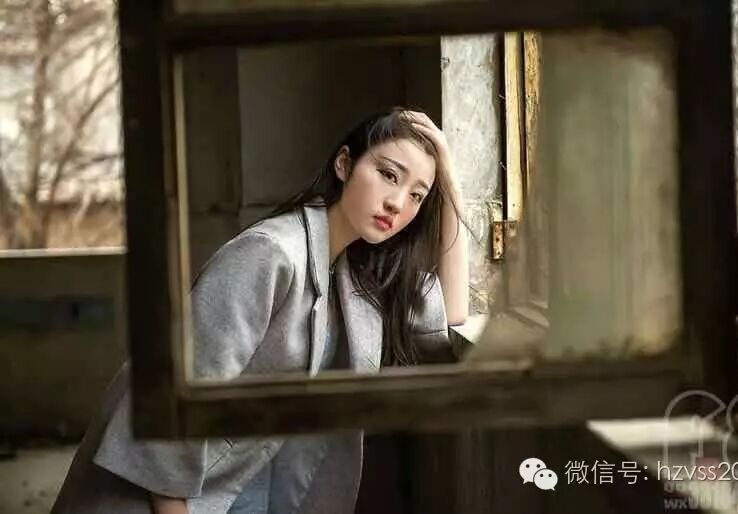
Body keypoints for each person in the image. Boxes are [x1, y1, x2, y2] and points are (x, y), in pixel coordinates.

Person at [51, 107, 469, 514]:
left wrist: (448, 175)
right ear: (344, 164)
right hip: (161, 497)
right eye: (389, 175)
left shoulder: (353, 275)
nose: (397, 203)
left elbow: (452, 310)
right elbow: (176, 399)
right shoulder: (270, 255)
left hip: (242, 490)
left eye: (417, 195)